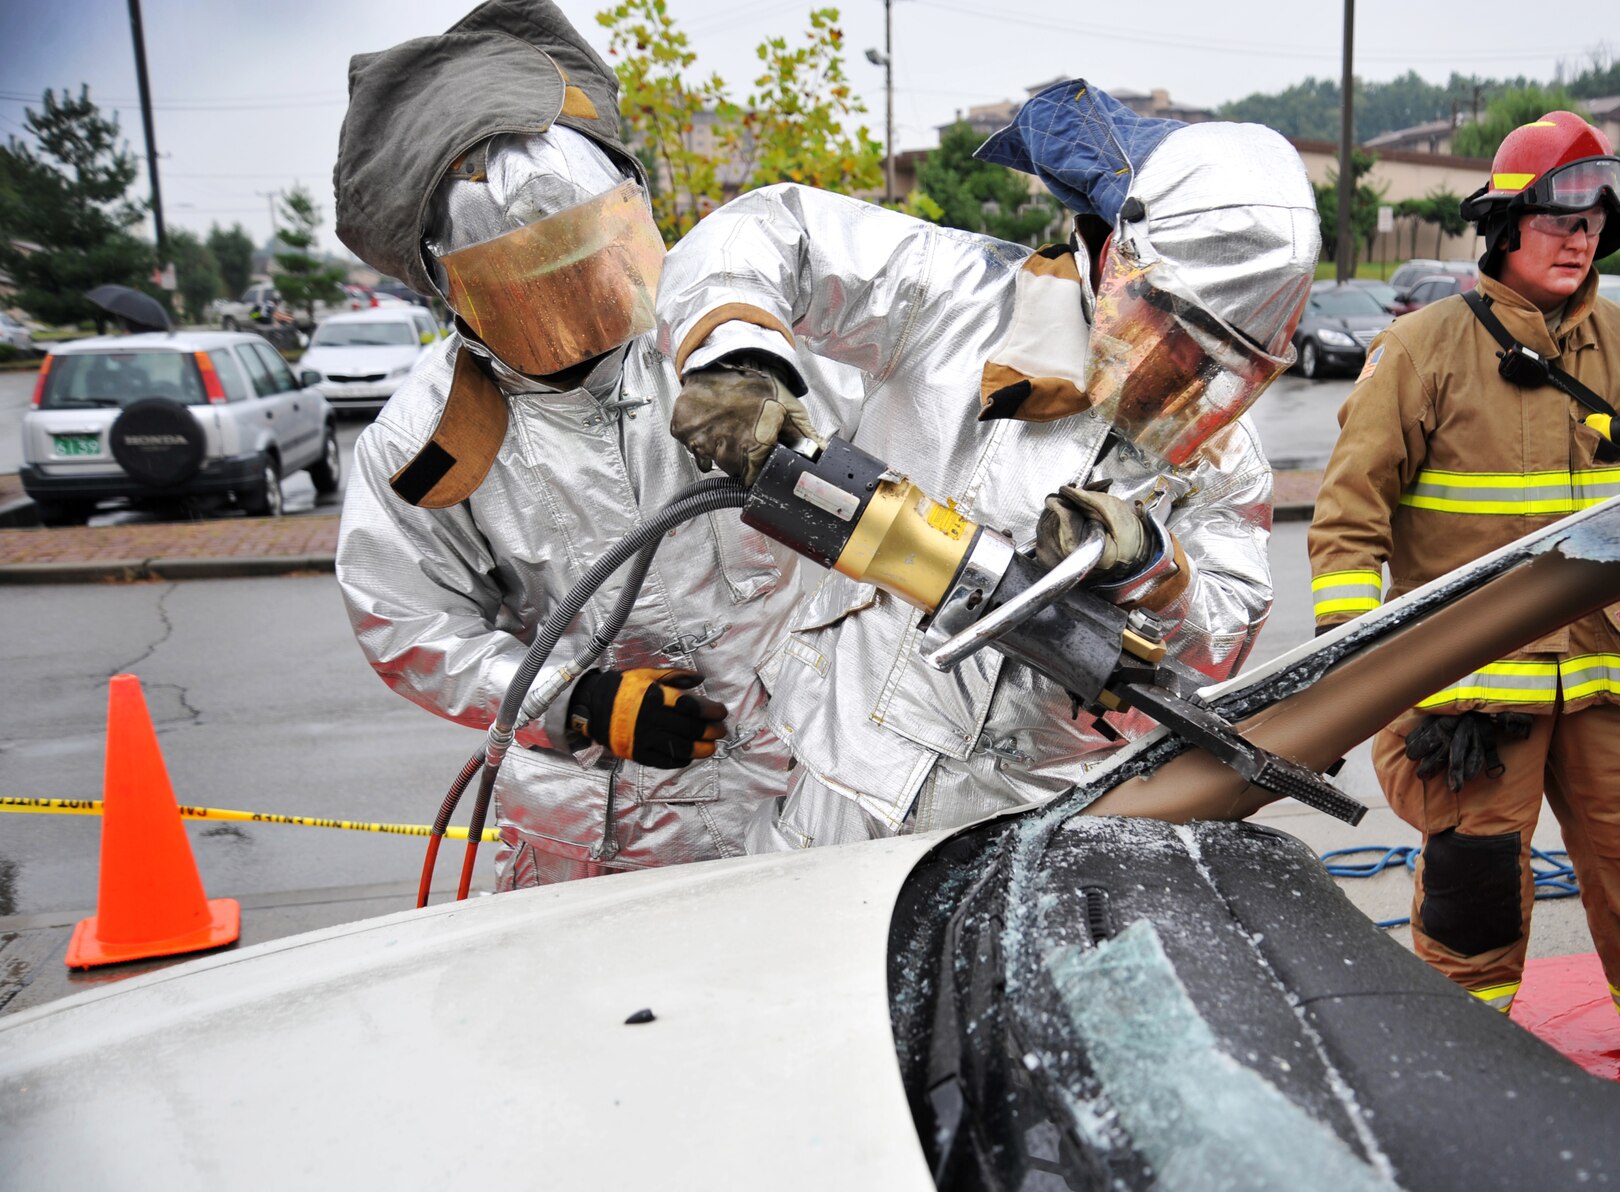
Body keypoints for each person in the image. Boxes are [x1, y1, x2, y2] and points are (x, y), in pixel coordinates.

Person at [658, 81, 1317, 852]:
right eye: (1175, 333)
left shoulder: (1224, 464)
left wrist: (1153, 572)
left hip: (1037, 820)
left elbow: (1217, 652)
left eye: (1220, 363)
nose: (1186, 376)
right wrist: (735, 353)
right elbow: (774, 228)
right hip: (834, 774)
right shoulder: (961, 300)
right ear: (1118, 254)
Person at [1308, 111, 1620, 1074]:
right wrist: (1362, 660)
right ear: (1503, 226)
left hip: (1618, 671)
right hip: (1478, 685)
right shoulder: (1424, 352)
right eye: (1559, 219)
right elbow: (1351, 510)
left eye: (1596, 223)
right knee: (1474, 874)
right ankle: (1463, 1035)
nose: (1579, 239)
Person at [331, 0, 803, 889]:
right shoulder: (427, 439)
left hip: (790, 800)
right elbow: (404, 617)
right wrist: (575, 700)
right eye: (531, 290)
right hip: (596, 837)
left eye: (588, 267)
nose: (575, 314)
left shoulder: (715, 347)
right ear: (455, 290)